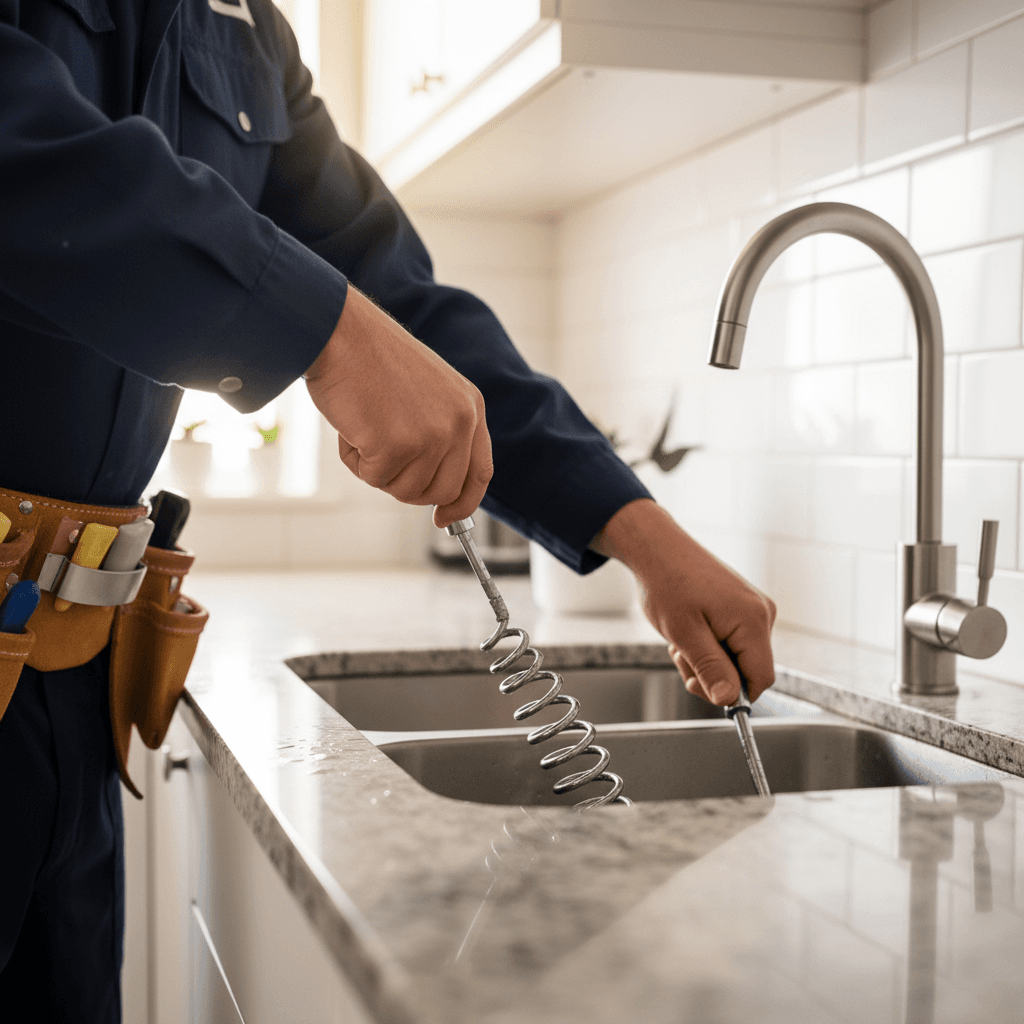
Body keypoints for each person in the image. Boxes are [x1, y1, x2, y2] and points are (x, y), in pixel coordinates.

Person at [0, 0, 776, 1017]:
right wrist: (319, 327)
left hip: (68, 678)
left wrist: (644, 537)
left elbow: (395, 298)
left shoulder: (243, 32)